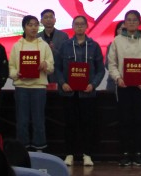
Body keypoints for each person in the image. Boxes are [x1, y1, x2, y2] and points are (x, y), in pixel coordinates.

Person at [106, 10, 141, 167]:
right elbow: (112, 63)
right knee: (125, 120)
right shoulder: (117, 41)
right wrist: (118, 78)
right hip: (123, 86)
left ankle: (139, 154)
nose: (132, 22)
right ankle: (126, 154)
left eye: (135, 20)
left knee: (139, 120)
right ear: (125, 22)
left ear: (140, 22)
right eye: (129, 20)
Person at [57, 15, 105, 167]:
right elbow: (57, 68)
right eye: (76, 24)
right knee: (69, 124)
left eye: (82, 24)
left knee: (87, 124)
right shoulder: (65, 46)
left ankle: (87, 155)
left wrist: (93, 84)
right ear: (72, 26)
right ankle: (69, 154)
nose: (79, 26)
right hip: (68, 92)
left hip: (87, 93)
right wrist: (63, 83)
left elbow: (100, 70)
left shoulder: (94, 46)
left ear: (86, 27)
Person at [8, 14, 53, 152]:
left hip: (39, 88)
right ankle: (23, 149)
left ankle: (39, 147)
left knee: (38, 120)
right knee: (22, 121)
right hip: (21, 87)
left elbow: (51, 67)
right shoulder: (17, 45)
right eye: (30, 25)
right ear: (24, 27)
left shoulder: (44, 45)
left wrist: (45, 64)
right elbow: (11, 67)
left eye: (36, 25)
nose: (33, 28)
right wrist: (16, 74)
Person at [38, 9, 69, 84]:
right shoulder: (37, 37)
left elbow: (67, 56)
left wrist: (53, 50)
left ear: (55, 20)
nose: (48, 19)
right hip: (41, 74)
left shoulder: (63, 36)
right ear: (41, 21)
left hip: (59, 75)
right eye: (46, 17)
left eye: (51, 17)